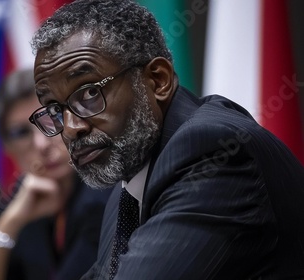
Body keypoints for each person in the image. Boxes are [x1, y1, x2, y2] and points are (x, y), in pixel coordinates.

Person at [27, 0, 304, 279]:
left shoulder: (214, 152)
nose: (71, 128)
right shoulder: (126, 190)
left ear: (157, 80)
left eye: (88, 94)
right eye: (55, 109)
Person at [0, 68, 112, 280]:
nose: (41, 144)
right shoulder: (25, 195)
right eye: (21, 133)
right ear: (7, 148)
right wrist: (11, 221)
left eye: (51, 120)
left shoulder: (104, 193)